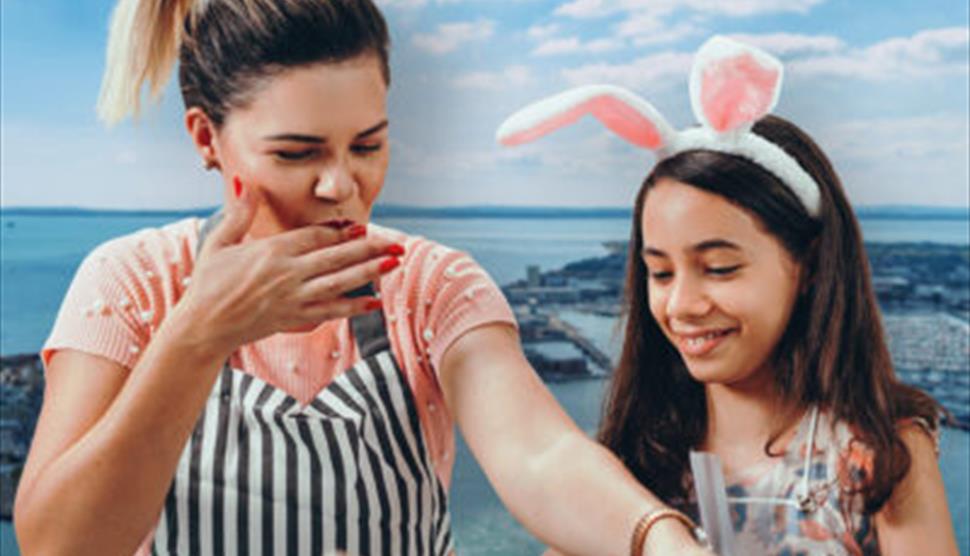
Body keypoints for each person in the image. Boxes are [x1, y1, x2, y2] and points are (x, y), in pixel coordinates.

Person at [13, 1, 714, 555]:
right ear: (206, 139)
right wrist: (196, 336)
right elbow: (60, 544)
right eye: (296, 153)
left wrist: (659, 538)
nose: (341, 186)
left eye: (368, 146)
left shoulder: (431, 285)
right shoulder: (133, 283)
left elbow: (538, 453)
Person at [497, 36, 959, 555]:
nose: (682, 306)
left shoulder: (879, 454)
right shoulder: (633, 461)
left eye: (719, 268)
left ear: (808, 265)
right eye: (661, 273)